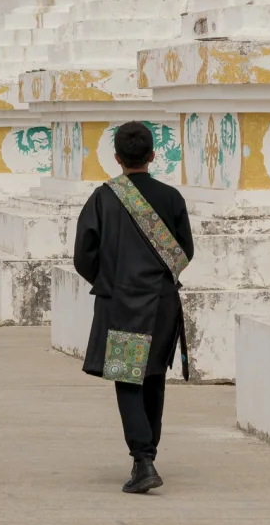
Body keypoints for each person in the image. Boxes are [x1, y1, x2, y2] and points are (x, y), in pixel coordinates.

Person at [73, 120, 194, 494]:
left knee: (128, 379)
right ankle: (147, 455)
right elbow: (185, 253)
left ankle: (143, 461)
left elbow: (83, 256)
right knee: (154, 376)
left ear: (116, 158)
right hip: (161, 303)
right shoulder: (172, 197)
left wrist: (110, 282)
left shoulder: (103, 198)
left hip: (123, 303)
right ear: (153, 155)